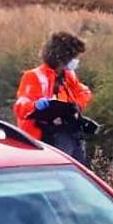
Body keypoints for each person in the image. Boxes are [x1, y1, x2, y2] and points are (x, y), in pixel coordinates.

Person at [14, 32, 94, 165]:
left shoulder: (68, 75)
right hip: (42, 138)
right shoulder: (34, 76)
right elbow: (21, 105)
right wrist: (35, 106)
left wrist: (76, 106)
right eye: (74, 57)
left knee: (76, 169)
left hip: (69, 133)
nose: (77, 60)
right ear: (63, 57)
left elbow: (84, 92)